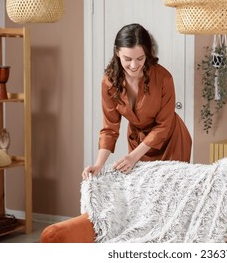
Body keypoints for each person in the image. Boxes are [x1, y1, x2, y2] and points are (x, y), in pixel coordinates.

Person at [82, 23, 192, 179]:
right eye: (127, 59)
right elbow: (110, 129)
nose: (134, 66)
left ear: (147, 54)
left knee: (171, 192)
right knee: (142, 193)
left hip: (171, 140)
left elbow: (163, 126)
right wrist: (98, 165)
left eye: (140, 58)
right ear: (117, 53)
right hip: (138, 143)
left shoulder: (163, 78)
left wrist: (133, 157)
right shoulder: (109, 83)